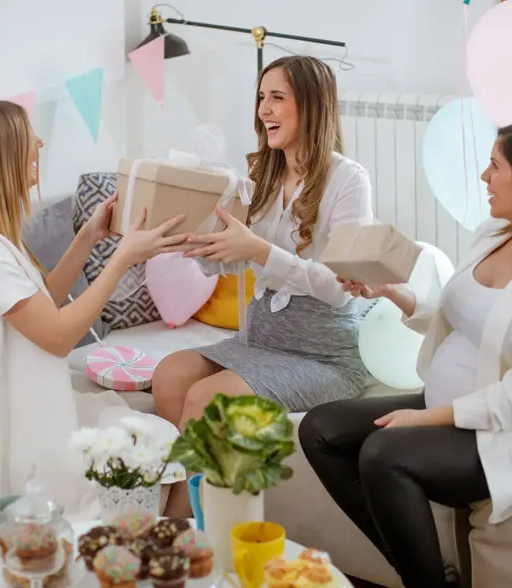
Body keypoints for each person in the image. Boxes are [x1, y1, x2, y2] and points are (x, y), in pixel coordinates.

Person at [299, 121, 512, 588]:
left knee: (383, 452)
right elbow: (455, 317)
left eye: (495, 166)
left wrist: (424, 418)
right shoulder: (493, 234)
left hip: (507, 434)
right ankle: (424, 571)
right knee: (320, 428)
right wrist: (389, 291)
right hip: (447, 407)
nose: (484, 177)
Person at [0, 100, 187, 574]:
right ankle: (154, 565)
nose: (40, 144)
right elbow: (59, 336)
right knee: (143, 451)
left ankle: (153, 563)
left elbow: (43, 302)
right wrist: (123, 258)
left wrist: (88, 237)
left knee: (145, 444)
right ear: (3, 155)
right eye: (30, 136)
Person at [151, 55, 374, 517]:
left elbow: (340, 287)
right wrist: (202, 246)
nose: (263, 110)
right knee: (170, 373)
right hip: (260, 339)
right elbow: (240, 261)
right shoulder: (262, 175)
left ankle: (181, 525)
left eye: (277, 98)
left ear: (311, 106)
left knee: (208, 399)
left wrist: (258, 250)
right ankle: (202, 507)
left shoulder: (348, 180)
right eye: (260, 98)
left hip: (321, 353)